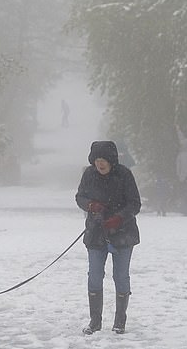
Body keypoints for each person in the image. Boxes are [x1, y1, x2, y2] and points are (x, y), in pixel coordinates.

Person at [75, 140, 141, 335]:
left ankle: (120, 320)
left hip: (123, 234)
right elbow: (79, 197)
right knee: (94, 276)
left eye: (103, 160)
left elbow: (135, 204)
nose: (100, 164)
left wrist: (119, 218)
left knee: (120, 276)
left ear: (112, 160)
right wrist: (90, 206)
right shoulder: (88, 174)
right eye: (96, 160)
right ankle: (95, 321)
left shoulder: (125, 175)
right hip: (95, 234)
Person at [175, 125, 187, 215]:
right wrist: (178, 129)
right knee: (183, 193)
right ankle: (184, 209)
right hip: (182, 177)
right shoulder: (181, 154)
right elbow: (178, 165)